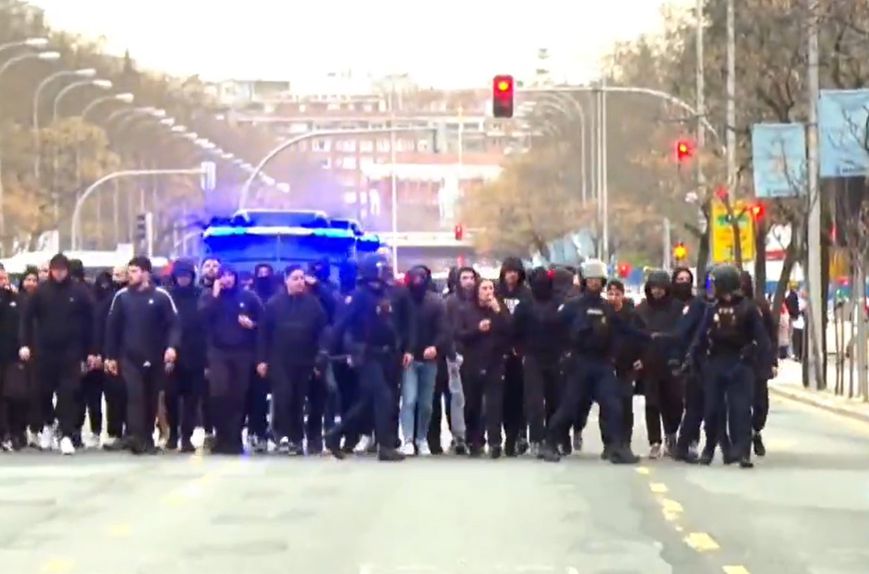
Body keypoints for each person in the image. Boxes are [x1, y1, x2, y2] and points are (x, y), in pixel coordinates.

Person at [541, 259, 646, 464]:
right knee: (569, 407)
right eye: (591, 280)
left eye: (598, 280)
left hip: (602, 364)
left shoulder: (606, 307)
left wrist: (650, 337)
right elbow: (552, 327)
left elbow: (624, 329)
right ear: (584, 281)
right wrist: (562, 352)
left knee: (613, 406)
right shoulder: (573, 306)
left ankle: (617, 447)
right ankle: (549, 443)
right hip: (579, 362)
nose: (595, 283)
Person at [324, 253, 410, 462]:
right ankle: (385, 447)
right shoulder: (358, 296)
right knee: (383, 396)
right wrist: (327, 351)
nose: (385, 272)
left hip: (384, 354)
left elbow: (390, 323)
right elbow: (341, 325)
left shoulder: (384, 293)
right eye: (382, 268)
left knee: (367, 401)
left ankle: (335, 434)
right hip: (365, 353)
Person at [691, 264, 771, 468]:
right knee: (712, 409)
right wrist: (691, 358)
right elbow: (700, 336)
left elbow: (762, 339)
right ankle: (709, 447)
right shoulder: (712, 309)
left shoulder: (748, 309)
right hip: (716, 361)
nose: (712, 288)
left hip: (740, 362)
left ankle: (742, 451)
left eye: (715, 284)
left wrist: (763, 364)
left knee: (741, 409)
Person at [19, 254, 96, 456]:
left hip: (71, 351)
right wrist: (25, 344)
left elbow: (91, 322)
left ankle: (66, 435)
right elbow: (26, 319)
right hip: (44, 351)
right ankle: (48, 423)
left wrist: (91, 351)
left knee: (68, 393)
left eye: (62, 270)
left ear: (67, 270)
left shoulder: (79, 292)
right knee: (42, 392)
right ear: (51, 270)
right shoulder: (41, 292)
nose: (59, 273)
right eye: (55, 270)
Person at [104, 256, 181, 455]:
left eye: (134, 271)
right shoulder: (122, 297)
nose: (129, 275)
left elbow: (174, 324)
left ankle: (147, 438)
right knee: (135, 396)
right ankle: (136, 438)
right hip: (130, 356)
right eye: (129, 271)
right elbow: (112, 328)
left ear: (146, 273)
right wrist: (111, 356)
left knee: (151, 397)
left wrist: (172, 347)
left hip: (155, 356)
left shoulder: (161, 296)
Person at [257, 265, 328, 455]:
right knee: (283, 396)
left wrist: (320, 357)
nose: (300, 282)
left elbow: (321, 332)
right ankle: (282, 436)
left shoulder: (313, 304)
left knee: (298, 399)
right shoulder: (274, 304)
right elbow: (264, 333)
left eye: (302, 278)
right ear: (286, 280)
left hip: (304, 360)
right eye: (295, 278)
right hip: (279, 360)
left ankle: (296, 438)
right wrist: (261, 360)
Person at [199, 264, 263, 454]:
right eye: (223, 276)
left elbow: (264, 322)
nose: (227, 279)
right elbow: (202, 318)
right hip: (218, 352)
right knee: (219, 394)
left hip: (242, 352)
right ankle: (221, 436)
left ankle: (235, 439)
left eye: (230, 275)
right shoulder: (209, 297)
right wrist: (214, 295)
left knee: (238, 396)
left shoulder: (248, 297)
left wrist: (252, 325)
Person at [456, 278, 511, 458]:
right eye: (484, 288)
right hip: (473, 362)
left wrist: (498, 311)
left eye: (491, 288)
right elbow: (459, 334)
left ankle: (495, 442)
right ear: (477, 291)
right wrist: (477, 329)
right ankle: (474, 440)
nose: (488, 292)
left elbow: (510, 329)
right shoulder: (466, 310)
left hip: (495, 361)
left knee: (494, 403)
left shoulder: (499, 308)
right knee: (473, 403)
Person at [513, 267, 565, 457]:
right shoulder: (525, 305)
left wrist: (565, 351)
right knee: (534, 401)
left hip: (555, 357)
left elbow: (567, 328)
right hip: (532, 357)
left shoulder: (559, 303)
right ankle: (536, 437)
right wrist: (519, 349)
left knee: (555, 400)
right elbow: (515, 329)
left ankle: (553, 439)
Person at [635, 269, 684, 459]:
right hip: (650, 362)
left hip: (672, 363)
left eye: (660, 287)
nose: (657, 291)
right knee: (652, 403)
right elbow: (636, 335)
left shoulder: (677, 308)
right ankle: (654, 441)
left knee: (674, 402)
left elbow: (682, 333)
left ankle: (671, 433)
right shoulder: (642, 309)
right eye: (653, 287)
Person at [399, 265, 447, 456]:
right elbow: (399, 328)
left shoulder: (435, 302)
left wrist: (435, 347)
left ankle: (421, 437)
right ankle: (408, 439)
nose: (418, 281)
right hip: (409, 358)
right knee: (409, 400)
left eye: (421, 278)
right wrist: (404, 350)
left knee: (426, 403)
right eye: (415, 278)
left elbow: (443, 329)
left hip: (430, 359)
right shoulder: (403, 300)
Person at [165, 259, 207, 453]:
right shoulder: (168, 296)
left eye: (187, 275)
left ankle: (186, 436)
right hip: (172, 353)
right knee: (171, 397)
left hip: (196, 352)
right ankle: (172, 434)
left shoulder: (201, 295)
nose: (183, 279)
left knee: (192, 399)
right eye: (180, 275)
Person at [496, 257, 530, 456]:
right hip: (498, 350)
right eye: (509, 271)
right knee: (501, 397)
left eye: (515, 272)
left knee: (519, 396)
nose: (512, 275)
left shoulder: (526, 294)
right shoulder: (496, 292)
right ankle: (505, 434)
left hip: (519, 352)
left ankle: (519, 434)